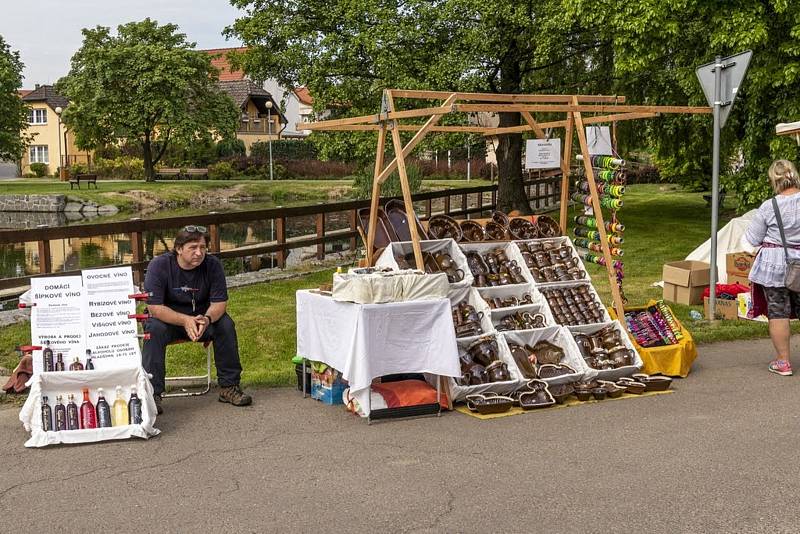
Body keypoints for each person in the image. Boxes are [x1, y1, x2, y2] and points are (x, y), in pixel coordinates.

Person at [143, 225, 252, 413]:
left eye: (202, 247)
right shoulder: (159, 265)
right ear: (178, 249)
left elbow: (220, 303)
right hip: (168, 320)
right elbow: (155, 308)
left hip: (201, 320)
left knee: (225, 324)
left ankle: (229, 387)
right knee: (154, 329)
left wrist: (207, 319)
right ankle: (153, 394)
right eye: (192, 248)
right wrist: (186, 320)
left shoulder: (213, 265)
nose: (199, 253)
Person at [745, 159, 800, 376]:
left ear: (774, 181)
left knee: (778, 312)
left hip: (775, 265)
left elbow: (752, 238)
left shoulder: (770, 206)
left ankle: (783, 362)